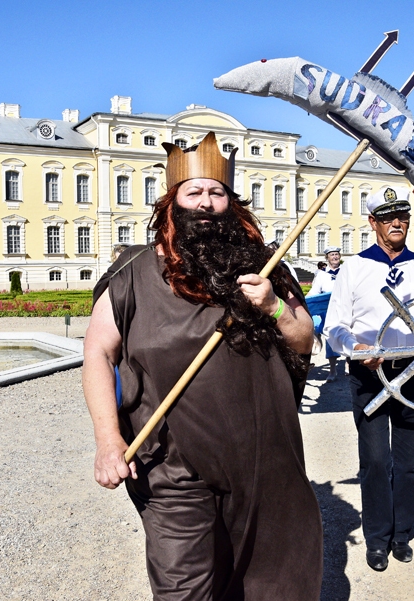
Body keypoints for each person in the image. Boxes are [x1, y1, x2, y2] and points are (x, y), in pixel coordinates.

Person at [82, 132, 323, 600]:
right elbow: (98, 353)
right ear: (172, 202)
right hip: (171, 464)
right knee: (182, 588)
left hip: (262, 458)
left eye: (217, 193)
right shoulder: (131, 275)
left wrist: (274, 306)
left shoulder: (264, 265)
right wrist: (109, 441)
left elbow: (303, 339)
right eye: (194, 192)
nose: (206, 203)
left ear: (231, 203)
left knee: (270, 578)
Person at [325, 185, 414, 572]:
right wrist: (355, 347)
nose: (396, 223)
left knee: (410, 461)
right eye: (387, 218)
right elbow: (335, 325)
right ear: (373, 223)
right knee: (376, 460)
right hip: (370, 376)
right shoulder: (354, 268)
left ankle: (403, 535)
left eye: (402, 217)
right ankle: (378, 539)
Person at [308, 246, 343, 381]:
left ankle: (348, 366)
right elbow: (314, 291)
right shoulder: (321, 275)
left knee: (351, 337)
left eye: (337, 254)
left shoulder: (346, 272)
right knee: (330, 336)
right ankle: (332, 370)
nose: (335, 257)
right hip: (328, 312)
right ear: (327, 258)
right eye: (332, 255)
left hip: (345, 310)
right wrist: (306, 301)